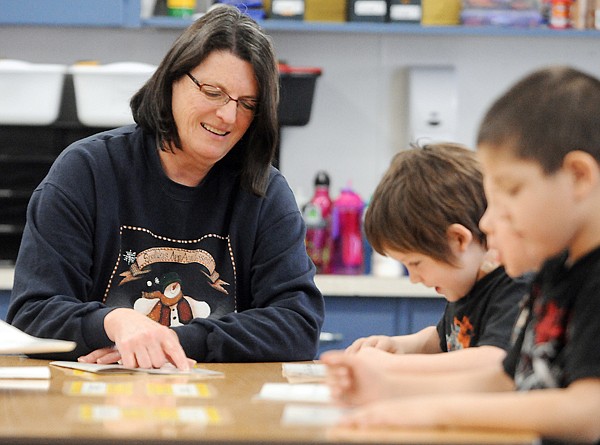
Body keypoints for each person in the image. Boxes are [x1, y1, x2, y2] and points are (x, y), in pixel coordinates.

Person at [7, 5, 324, 370]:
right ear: (172, 79)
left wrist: (177, 340)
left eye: (247, 104)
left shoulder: (264, 193)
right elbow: (31, 316)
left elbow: (299, 325)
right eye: (212, 91)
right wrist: (113, 323)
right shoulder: (86, 173)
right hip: (92, 410)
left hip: (221, 414)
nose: (228, 116)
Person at [323, 66, 600, 444]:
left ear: (579, 177)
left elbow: (589, 411)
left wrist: (432, 412)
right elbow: (506, 377)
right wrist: (390, 389)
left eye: (512, 191)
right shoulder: (554, 271)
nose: (487, 220)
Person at [341, 143, 530, 374]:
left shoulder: (514, 284)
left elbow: (494, 359)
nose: (413, 278)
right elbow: (445, 340)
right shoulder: (465, 282)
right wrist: (398, 346)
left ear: (458, 240)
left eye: (415, 263)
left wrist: (393, 365)